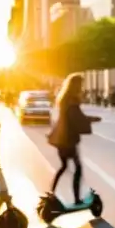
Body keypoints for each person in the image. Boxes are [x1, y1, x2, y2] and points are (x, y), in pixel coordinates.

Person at [47, 72, 101, 204]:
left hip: (61, 139)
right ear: (75, 85)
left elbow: (76, 117)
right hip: (68, 140)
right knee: (78, 169)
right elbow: (77, 119)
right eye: (81, 85)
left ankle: (51, 193)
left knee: (64, 167)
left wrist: (88, 119)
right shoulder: (72, 100)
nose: (82, 87)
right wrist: (91, 120)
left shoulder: (64, 98)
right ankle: (76, 199)